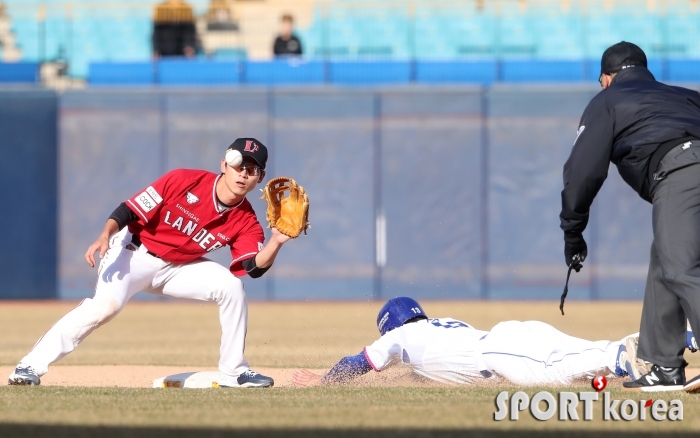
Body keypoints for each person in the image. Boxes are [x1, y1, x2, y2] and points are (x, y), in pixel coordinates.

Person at [9, 138, 289, 388]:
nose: (243, 173)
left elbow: (253, 267)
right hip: (133, 253)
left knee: (231, 287)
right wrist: (105, 234)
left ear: (260, 178)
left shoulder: (247, 220)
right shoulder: (184, 180)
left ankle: (234, 372)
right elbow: (129, 209)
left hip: (178, 268)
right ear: (224, 164)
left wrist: (276, 241)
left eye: (252, 170)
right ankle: (29, 365)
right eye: (238, 163)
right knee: (105, 307)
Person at [560, 41, 700, 392]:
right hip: (688, 166)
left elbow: (582, 173)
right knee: (665, 260)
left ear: (607, 78)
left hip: (681, 169)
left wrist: (573, 233)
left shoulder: (606, 101)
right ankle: (665, 366)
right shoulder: (684, 96)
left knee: (679, 267)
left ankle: (666, 365)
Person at [291, 297, 696, 387]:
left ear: (390, 326)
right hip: (512, 334)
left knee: (553, 375)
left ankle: (627, 355)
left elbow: (360, 361)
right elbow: (426, 374)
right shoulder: (438, 326)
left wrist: (326, 381)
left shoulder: (400, 336)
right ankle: (663, 343)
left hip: (498, 350)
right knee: (578, 356)